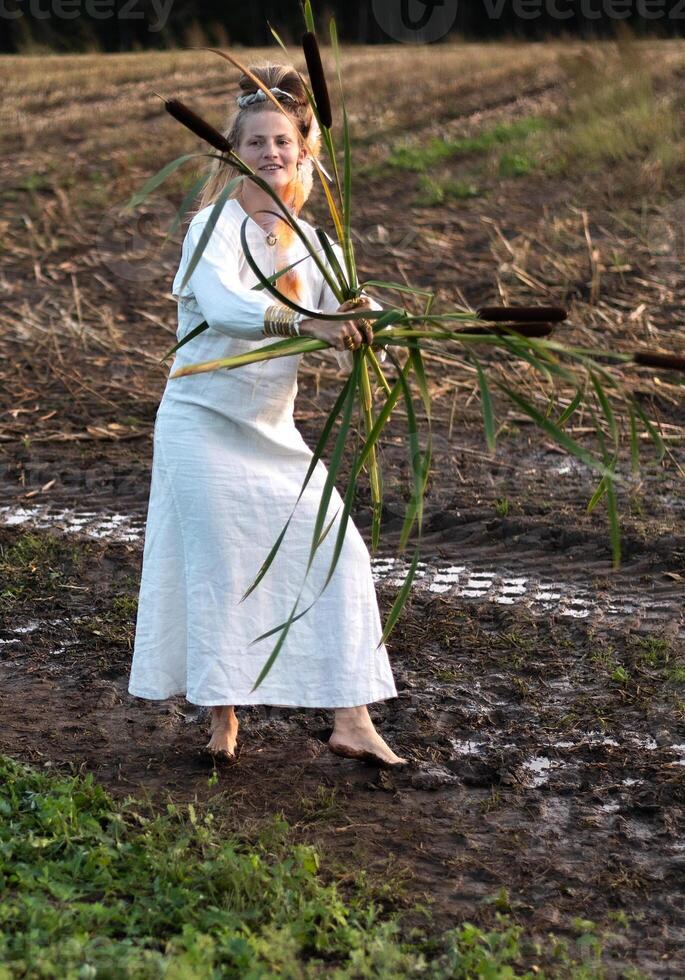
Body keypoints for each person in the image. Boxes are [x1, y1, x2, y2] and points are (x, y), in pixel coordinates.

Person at [127, 64, 405, 767]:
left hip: (271, 432)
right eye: (256, 143)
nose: (271, 153)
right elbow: (222, 309)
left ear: (302, 150)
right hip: (201, 422)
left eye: (282, 141)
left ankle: (351, 719)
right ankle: (221, 716)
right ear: (234, 153)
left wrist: (366, 323)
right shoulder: (211, 228)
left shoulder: (312, 244)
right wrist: (309, 325)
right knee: (220, 564)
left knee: (339, 552)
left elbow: (347, 321)